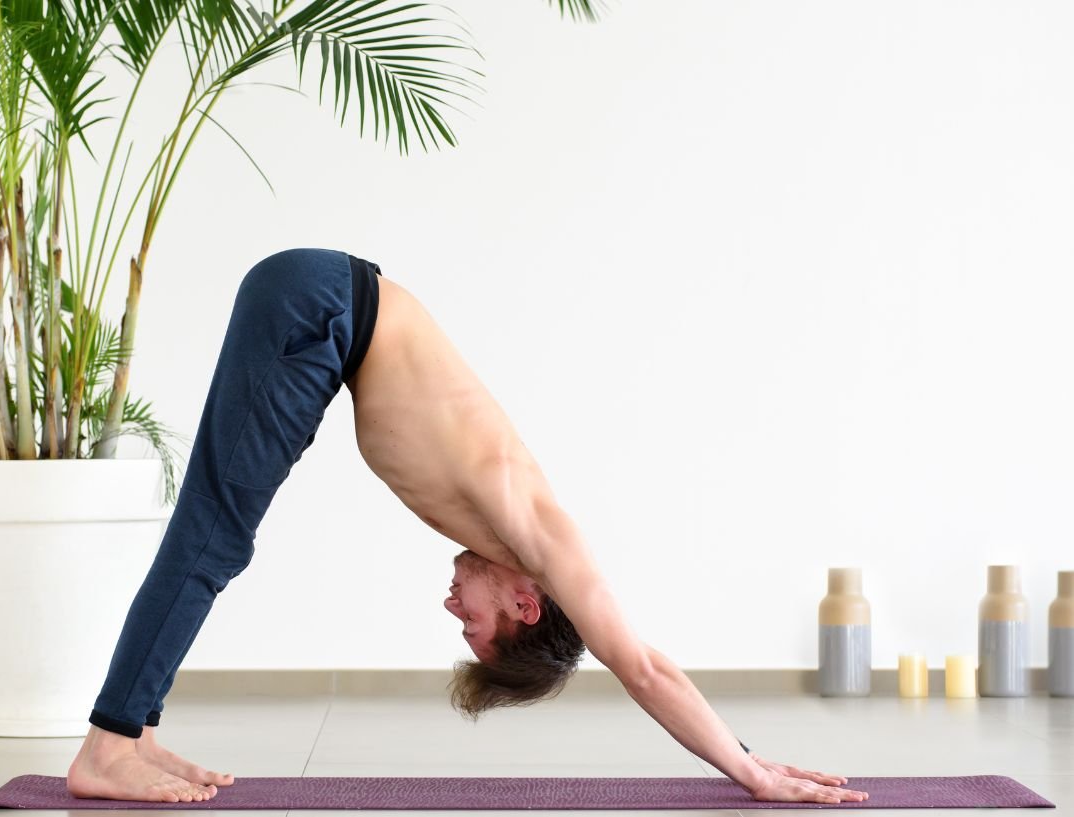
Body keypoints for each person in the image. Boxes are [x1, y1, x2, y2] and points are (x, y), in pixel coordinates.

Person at [66, 248, 870, 806]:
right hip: (321, 306)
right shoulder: (544, 538)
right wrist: (749, 768)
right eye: (475, 627)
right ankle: (108, 743)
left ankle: (133, 731)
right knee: (213, 537)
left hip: (325, 313)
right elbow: (644, 666)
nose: (454, 610)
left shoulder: (514, 534)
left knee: (218, 535)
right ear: (527, 607)